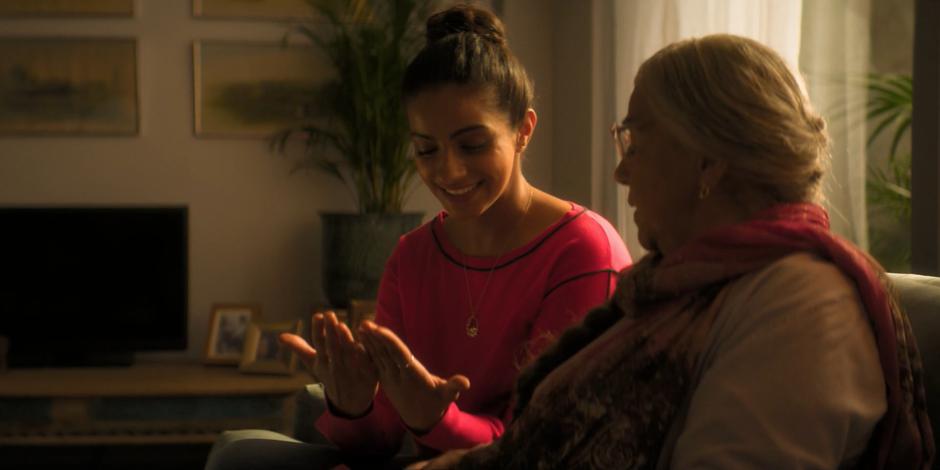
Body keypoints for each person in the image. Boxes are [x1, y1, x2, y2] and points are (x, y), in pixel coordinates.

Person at [409, 33, 934, 469]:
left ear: (708, 162)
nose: (620, 171)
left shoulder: (803, 306)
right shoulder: (680, 284)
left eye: (635, 142)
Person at [204, 4, 631, 469]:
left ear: (523, 130)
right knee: (241, 457)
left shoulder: (583, 250)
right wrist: (353, 404)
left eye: (472, 144)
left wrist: (435, 419)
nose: (447, 170)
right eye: (426, 149)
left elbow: (542, 443)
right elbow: (379, 441)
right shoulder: (414, 256)